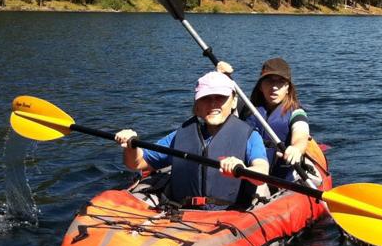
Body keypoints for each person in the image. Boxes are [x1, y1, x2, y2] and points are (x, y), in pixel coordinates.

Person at [114, 71, 270, 209]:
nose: (213, 104)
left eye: (220, 97)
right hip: (181, 212)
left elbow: (262, 171)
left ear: (234, 101)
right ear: (197, 104)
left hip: (230, 215)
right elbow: (136, 163)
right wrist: (131, 146)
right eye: (206, 98)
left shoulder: (249, 136)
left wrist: (242, 170)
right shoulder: (181, 136)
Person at [217, 57, 310, 182]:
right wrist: (222, 76)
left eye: (280, 82)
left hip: (283, 180)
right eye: (269, 81)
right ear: (260, 86)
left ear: (288, 87)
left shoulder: (297, 112)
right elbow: (227, 96)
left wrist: (296, 148)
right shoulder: (248, 109)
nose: (274, 87)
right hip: (250, 173)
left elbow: (301, 133)